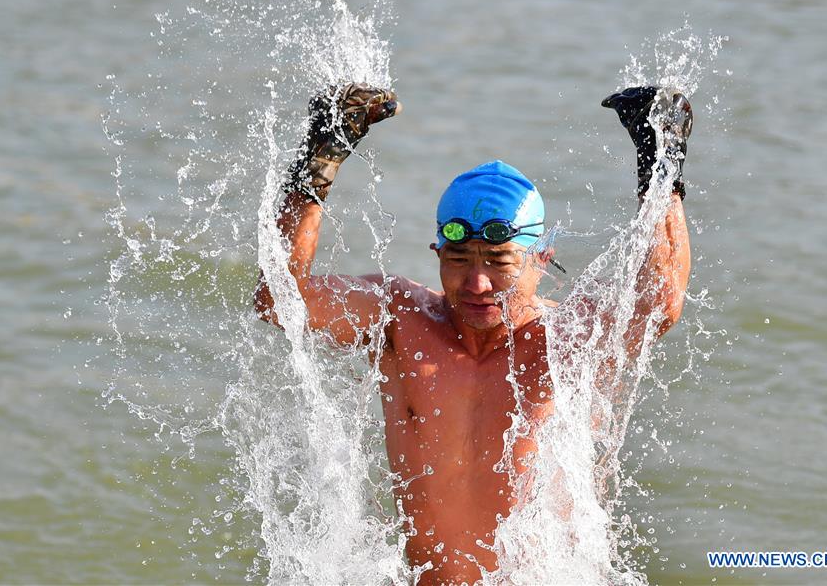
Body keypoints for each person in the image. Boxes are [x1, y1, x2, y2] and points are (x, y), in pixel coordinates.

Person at [254, 83, 692, 584]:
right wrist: (319, 162)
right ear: (438, 254)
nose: (477, 283)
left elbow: (660, 303)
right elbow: (278, 299)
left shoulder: (568, 339)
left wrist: (663, 167)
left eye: (500, 262)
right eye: (459, 260)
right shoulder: (401, 320)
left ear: (541, 258)